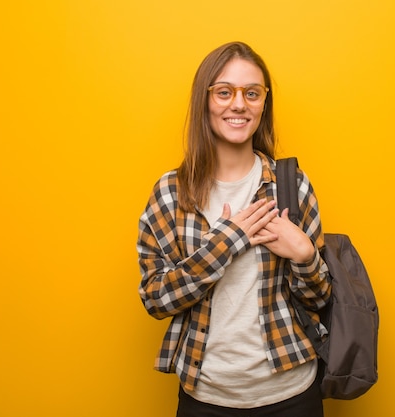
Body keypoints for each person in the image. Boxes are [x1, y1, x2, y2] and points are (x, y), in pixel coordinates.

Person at [137, 41, 331, 417]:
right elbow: (154, 299)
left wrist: (306, 255)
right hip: (206, 398)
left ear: (263, 104)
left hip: (292, 393)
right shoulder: (169, 194)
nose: (239, 104)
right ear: (204, 100)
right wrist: (222, 245)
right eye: (224, 92)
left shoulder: (291, 186)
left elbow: (319, 300)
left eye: (252, 93)